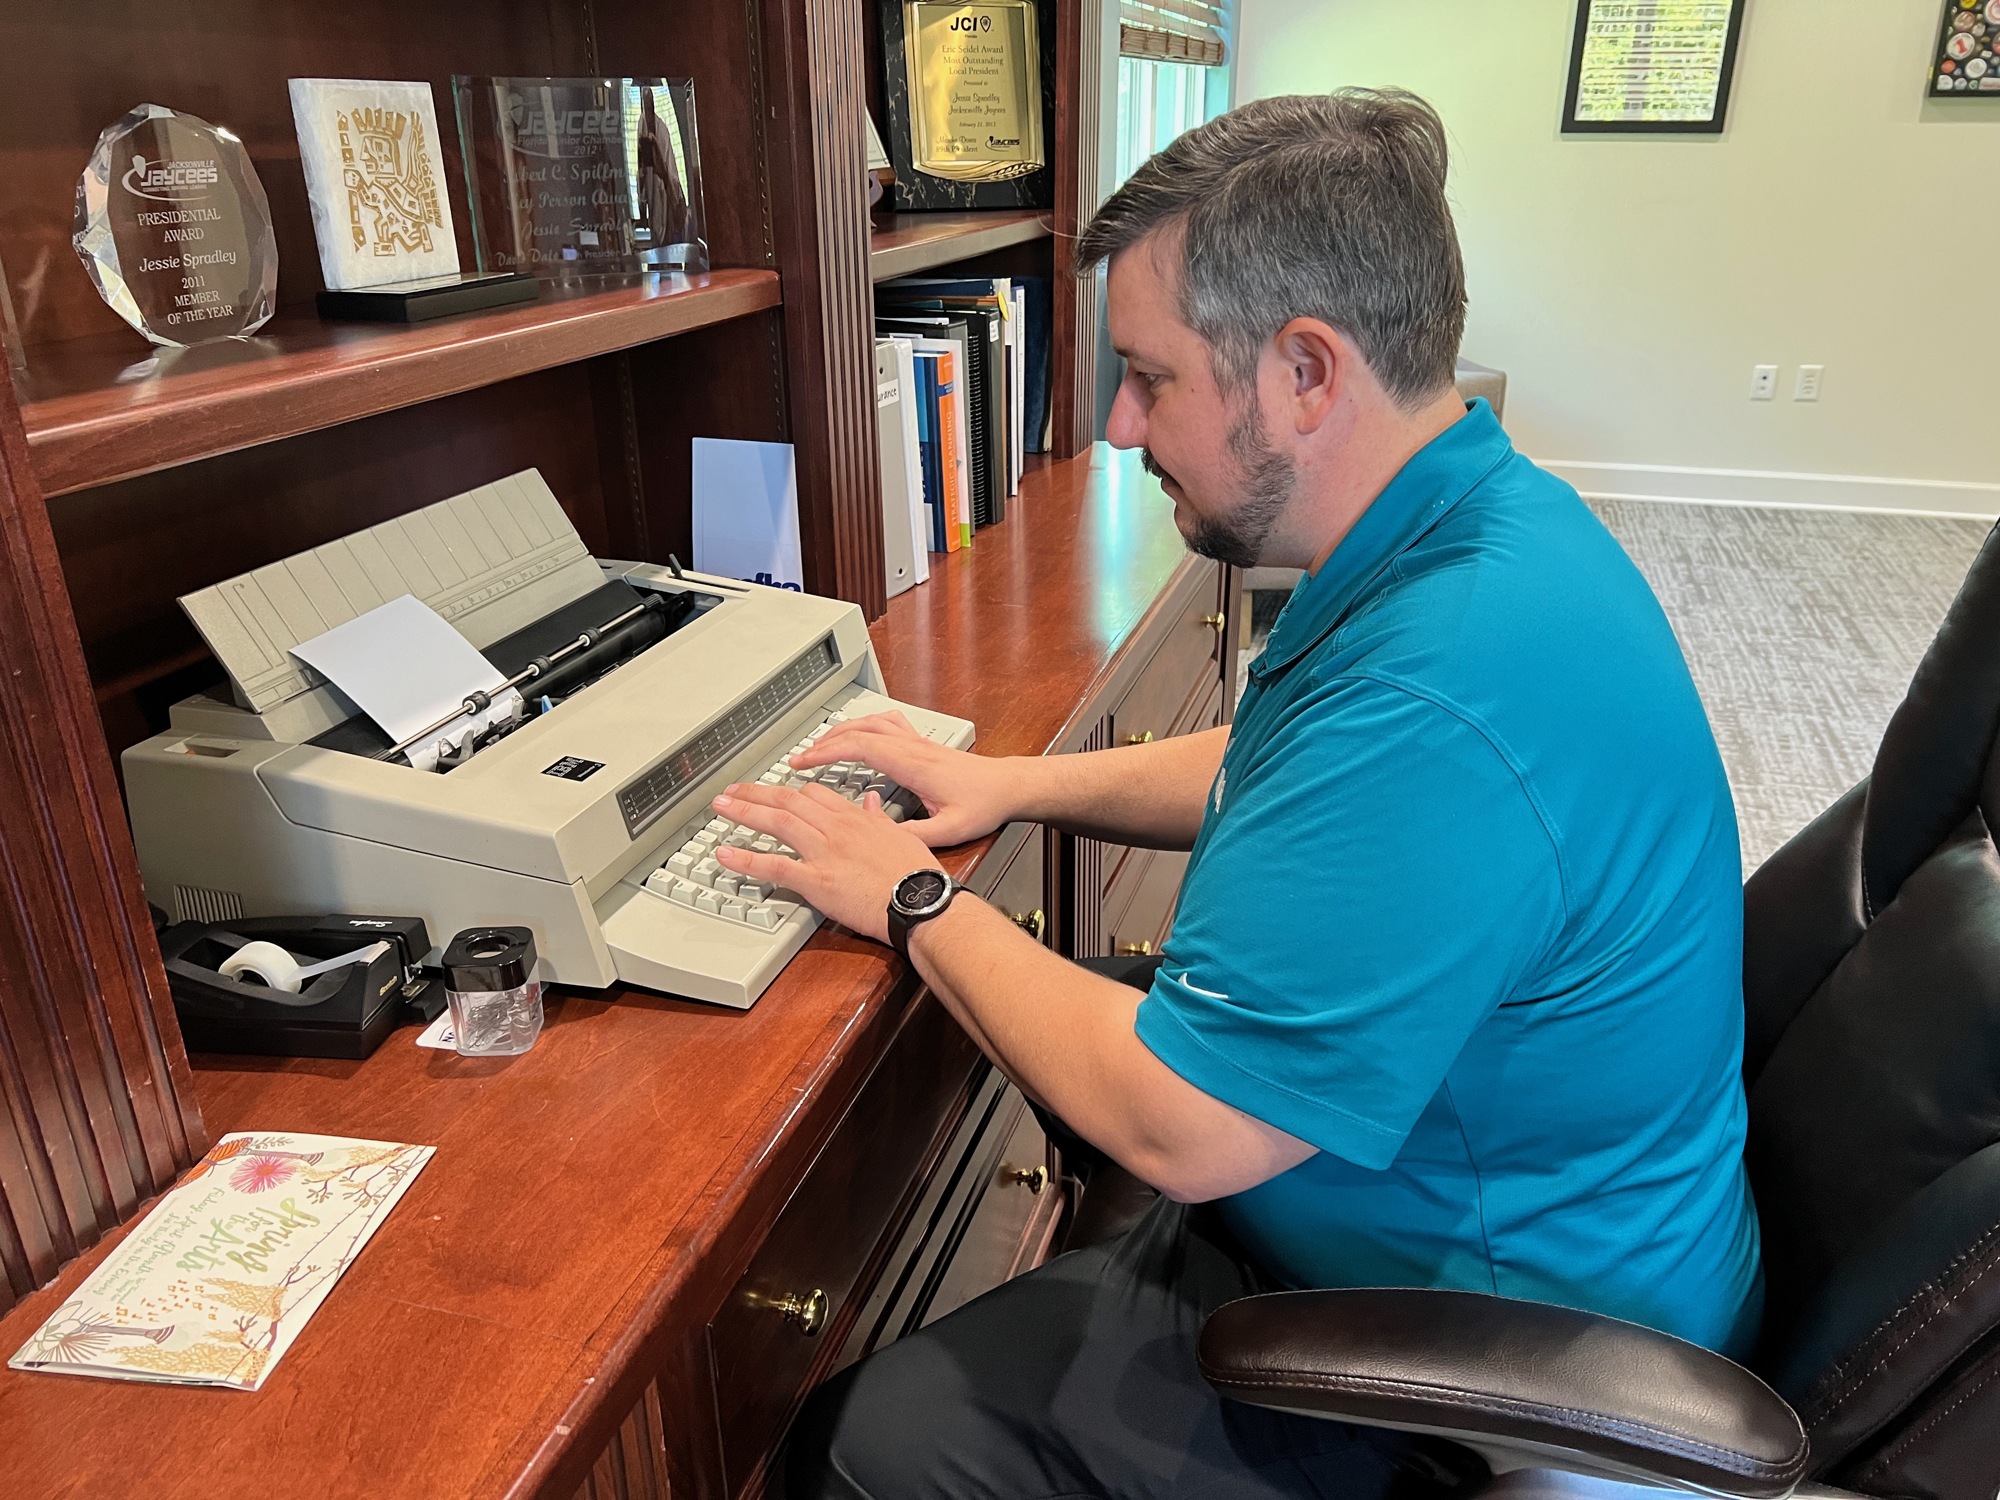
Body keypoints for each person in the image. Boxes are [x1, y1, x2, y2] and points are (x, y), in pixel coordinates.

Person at [708, 88, 1762, 1500]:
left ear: (1307, 372)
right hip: (1489, 1230)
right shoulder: (1480, 528)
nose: (1124, 427)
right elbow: (1297, 773)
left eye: (1151, 378)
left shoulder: (1439, 689)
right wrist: (1005, 780)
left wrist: (904, 899)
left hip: (1496, 1370)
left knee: (862, 1443)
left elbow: (1181, 1126)